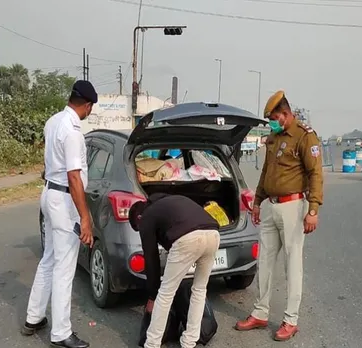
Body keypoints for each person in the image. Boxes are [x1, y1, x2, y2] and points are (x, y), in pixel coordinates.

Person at [235, 91, 323, 341]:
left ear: (285, 114)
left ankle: (290, 320)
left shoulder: (305, 136)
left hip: (294, 207)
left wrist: (313, 210)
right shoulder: (273, 138)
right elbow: (265, 172)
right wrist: (257, 202)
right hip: (271, 207)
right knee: (264, 261)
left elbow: (316, 174)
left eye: (274, 118)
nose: (272, 122)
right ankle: (260, 313)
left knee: (292, 264)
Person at [21, 80, 98, 348]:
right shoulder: (74, 131)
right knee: (64, 268)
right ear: (87, 106)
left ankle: (34, 317)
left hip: (49, 194)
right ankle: (61, 333)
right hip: (65, 200)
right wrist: (85, 218)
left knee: (50, 259)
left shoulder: (53, 121)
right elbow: (74, 177)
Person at [129, 193, 220, 348]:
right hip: (213, 233)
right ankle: (190, 341)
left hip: (188, 238)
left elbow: (151, 259)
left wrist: (152, 295)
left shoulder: (146, 217)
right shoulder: (168, 202)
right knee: (199, 289)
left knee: (165, 294)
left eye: (138, 229)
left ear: (138, 218)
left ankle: (152, 343)